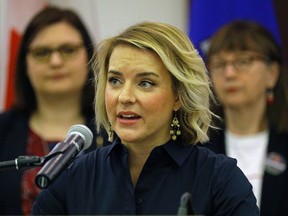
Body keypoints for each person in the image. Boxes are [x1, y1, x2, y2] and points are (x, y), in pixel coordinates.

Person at [31, 21, 259, 215]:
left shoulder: (218, 179)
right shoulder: (73, 178)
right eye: (115, 81)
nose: (125, 97)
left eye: (145, 83)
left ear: (178, 96)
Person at [0, 6, 108, 215]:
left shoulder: (117, 131)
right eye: (42, 53)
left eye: (68, 50)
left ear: (89, 57)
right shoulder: (2, 131)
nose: (56, 61)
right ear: (25, 64)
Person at [205, 20, 288, 216]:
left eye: (243, 61)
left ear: (272, 73)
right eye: (219, 64)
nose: (229, 73)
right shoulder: (197, 148)